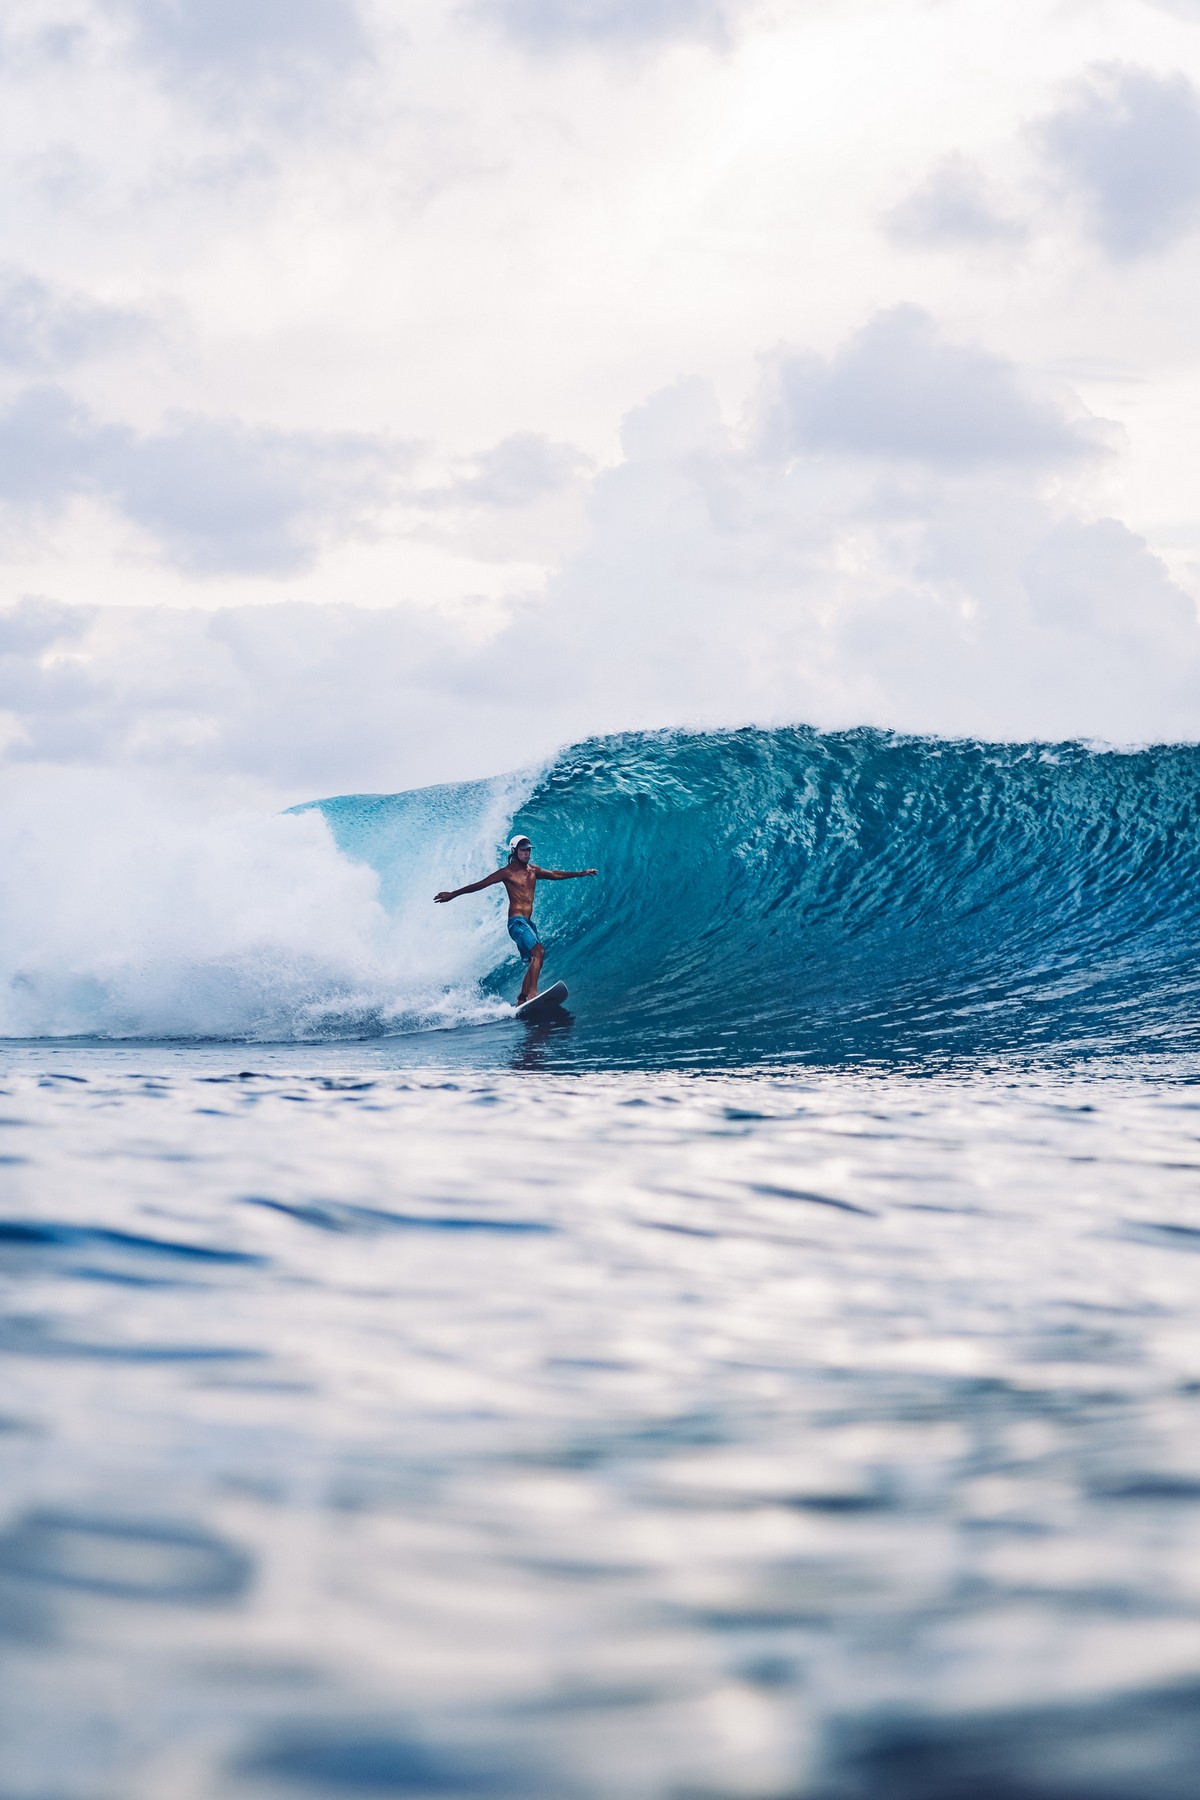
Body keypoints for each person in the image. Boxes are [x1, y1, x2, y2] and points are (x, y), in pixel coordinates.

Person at [435, 835, 597, 1005]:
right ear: (514, 851)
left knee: (535, 959)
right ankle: (533, 993)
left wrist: (580, 874)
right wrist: (453, 894)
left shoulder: (533, 871)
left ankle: (522, 999)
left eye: (528, 850)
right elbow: (480, 884)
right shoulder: (507, 873)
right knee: (539, 952)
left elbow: (555, 874)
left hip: (527, 923)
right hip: (516, 922)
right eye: (523, 850)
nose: (527, 853)